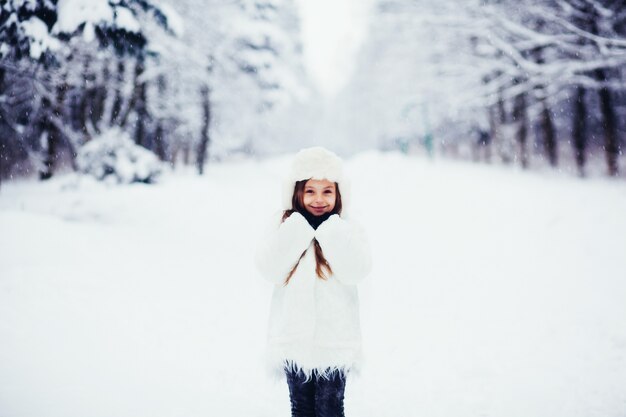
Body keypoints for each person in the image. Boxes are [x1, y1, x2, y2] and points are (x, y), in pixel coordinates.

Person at [255, 147, 372, 417]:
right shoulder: (283, 224)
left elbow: (357, 270)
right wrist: (299, 228)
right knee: (302, 409)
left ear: (339, 193)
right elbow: (270, 268)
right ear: (297, 192)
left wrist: (329, 230)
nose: (318, 199)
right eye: (310, 191)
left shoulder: (347, 227)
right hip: (293, 339)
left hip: (335, 341)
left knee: (330, 409)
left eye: (327, 191)